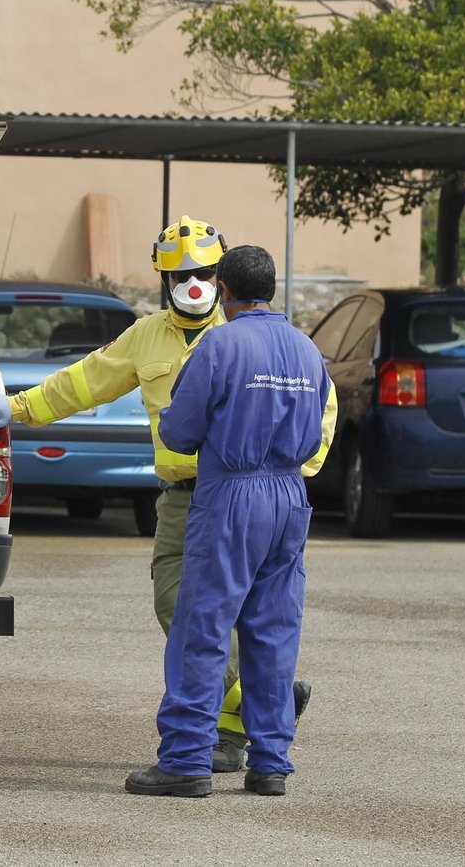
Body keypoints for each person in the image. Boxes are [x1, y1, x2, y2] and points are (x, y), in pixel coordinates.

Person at [0, 215, 271, 770]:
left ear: (222, 276)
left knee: (241, 613)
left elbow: (314, 399)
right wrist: (16, 408)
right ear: (163, 281)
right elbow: (82, 381)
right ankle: (258, 704)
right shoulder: (146, 335)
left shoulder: (242, 332)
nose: (193, 284)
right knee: (175, 607)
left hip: (242, 492)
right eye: (180, 275)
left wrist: (305, 469)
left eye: (204, 272)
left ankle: (230, 734)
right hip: (182, 498)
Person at [126, 245, 335, 797]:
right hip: (289, 497)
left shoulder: (217, 344)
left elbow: (178, 432)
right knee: (273, 631)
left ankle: (187, 761)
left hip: (230, 497)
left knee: (202, 629)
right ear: (271, 289)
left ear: (222, 289)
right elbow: (316, 433)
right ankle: (270, 764)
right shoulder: (307, 350)